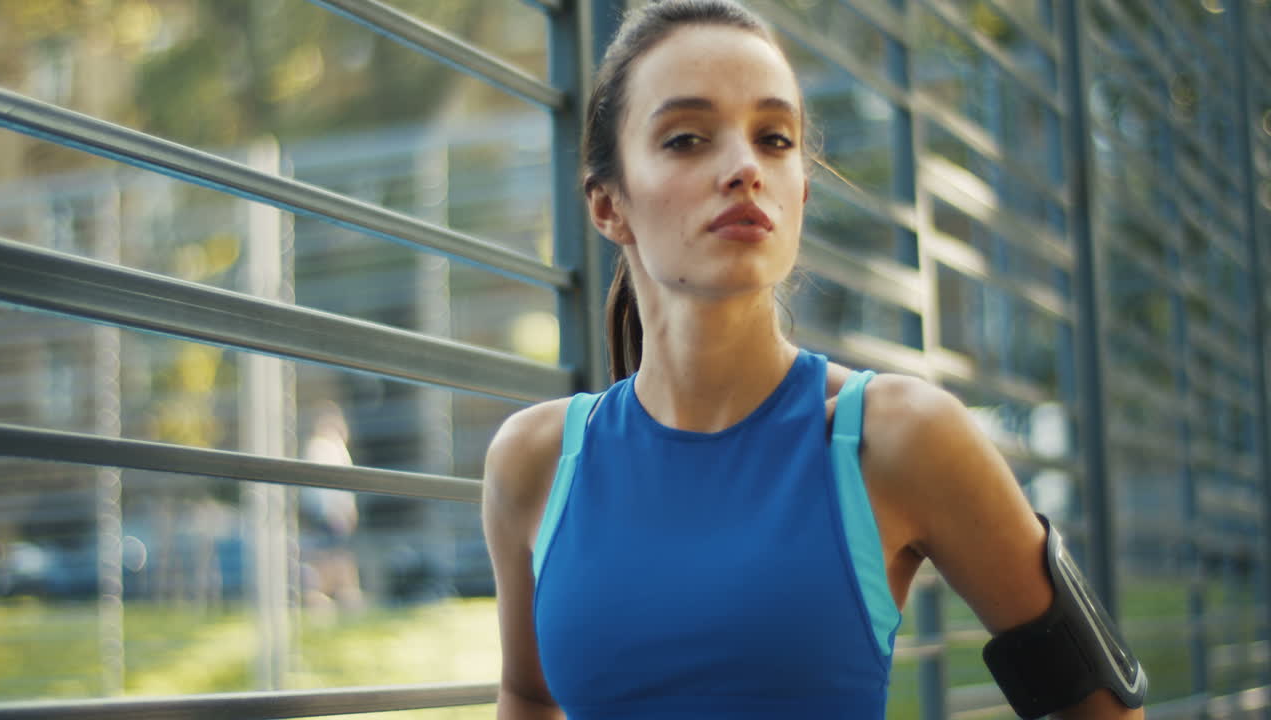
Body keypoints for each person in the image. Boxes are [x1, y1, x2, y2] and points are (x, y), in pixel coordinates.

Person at [482, 1, 1146, 717]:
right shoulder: (537, 462)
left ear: (801, 188)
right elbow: (526, 696)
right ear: (608, 204)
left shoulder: (898, 436)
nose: (743, 167)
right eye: (686, 139)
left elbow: (1106, 706)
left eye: (773, 138)